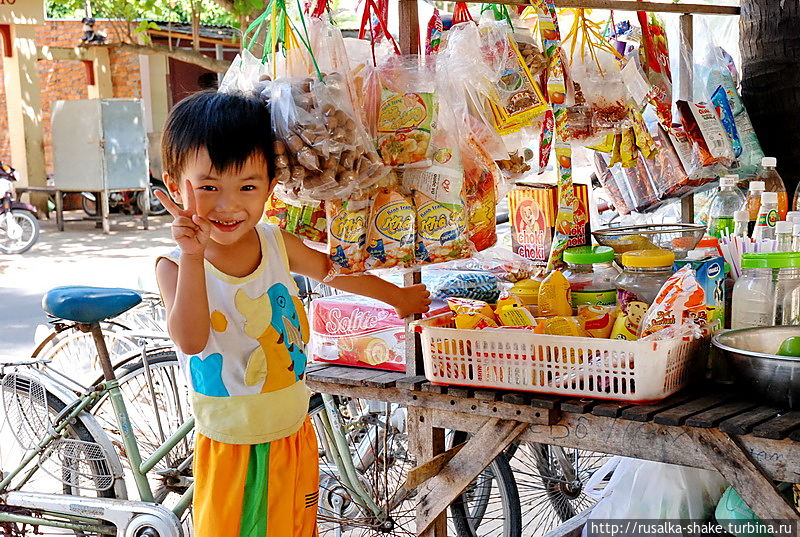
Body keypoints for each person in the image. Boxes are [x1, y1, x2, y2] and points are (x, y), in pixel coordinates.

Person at [153, 90, 431, 537]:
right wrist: (191, 256)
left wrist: (396, 298)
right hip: (231, 442)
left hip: (292, 431)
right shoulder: (176, 265)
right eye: (208, 188)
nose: (228, 206)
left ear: (271, 183)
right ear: (174, 186)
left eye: (248, 186)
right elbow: (190, 340)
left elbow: (332, 272)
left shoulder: (275, 243)